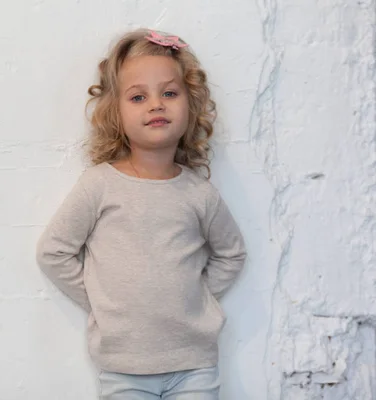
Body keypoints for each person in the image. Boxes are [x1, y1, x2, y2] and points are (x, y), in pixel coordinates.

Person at [36, 28, 247, 400]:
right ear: (116, 112)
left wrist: (195, 299)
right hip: (124, 369)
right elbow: (54, 252)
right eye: (138, 96)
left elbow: (232, 253)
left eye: (169, 92)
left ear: (191, 104)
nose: (156, 104)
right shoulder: (99, 185)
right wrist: (106, 302)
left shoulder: (199, 192)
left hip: (195, 366)